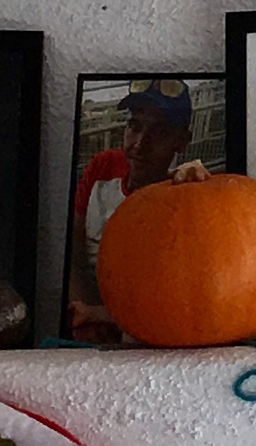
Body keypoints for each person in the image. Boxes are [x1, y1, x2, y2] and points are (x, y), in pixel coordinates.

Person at [65, 81, 196, 339]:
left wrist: (100, 316)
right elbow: (73, 251)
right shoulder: (103, 166)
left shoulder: (181, 198)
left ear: (182, 141)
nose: (140, 144)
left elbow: (166, 302)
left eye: (160, 132)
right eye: (134, 126)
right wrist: (82, 312)